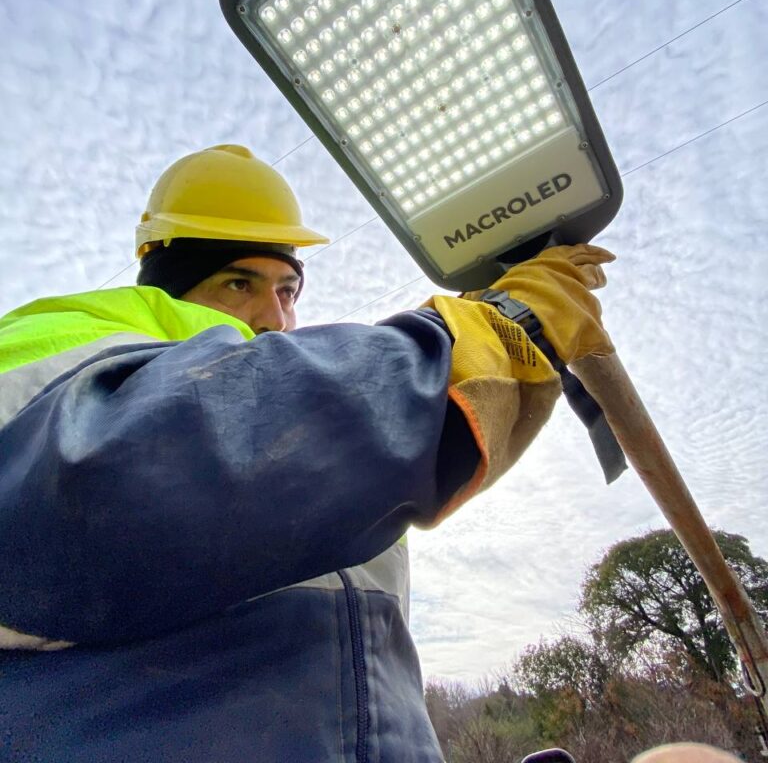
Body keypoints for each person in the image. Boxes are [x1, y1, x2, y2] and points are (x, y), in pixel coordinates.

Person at [0, 143, 615, 762]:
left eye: (289, 290)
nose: (276, 316)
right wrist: (503, 328)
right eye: (239, 282)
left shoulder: (294, 414)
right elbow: (109, 483)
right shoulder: (66, 341)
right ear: (170, 283)